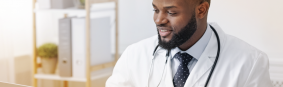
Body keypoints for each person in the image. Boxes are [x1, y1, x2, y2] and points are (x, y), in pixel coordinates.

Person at [106, 0, 273, 87]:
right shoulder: (134, 56)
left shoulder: (250, 63)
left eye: (171, 12)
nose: (158, 20)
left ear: (201, 10)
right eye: (155, 10)